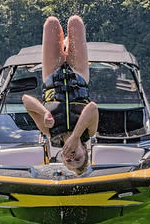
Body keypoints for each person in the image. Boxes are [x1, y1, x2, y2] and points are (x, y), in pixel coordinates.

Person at [22, 15, 98, 175]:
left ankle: (64, 46)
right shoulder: (88, 132)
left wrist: (44, 113)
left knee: (51, 22)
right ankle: (67, 45)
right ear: (84, 150)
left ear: (62, 155)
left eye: (68, 160)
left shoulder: (50, 131)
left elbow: (26, 100)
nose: (72, 157)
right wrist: (76, 136)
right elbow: (92, 108)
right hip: (78, 74)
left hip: (52, 75)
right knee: (75, 21)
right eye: (77, 159)